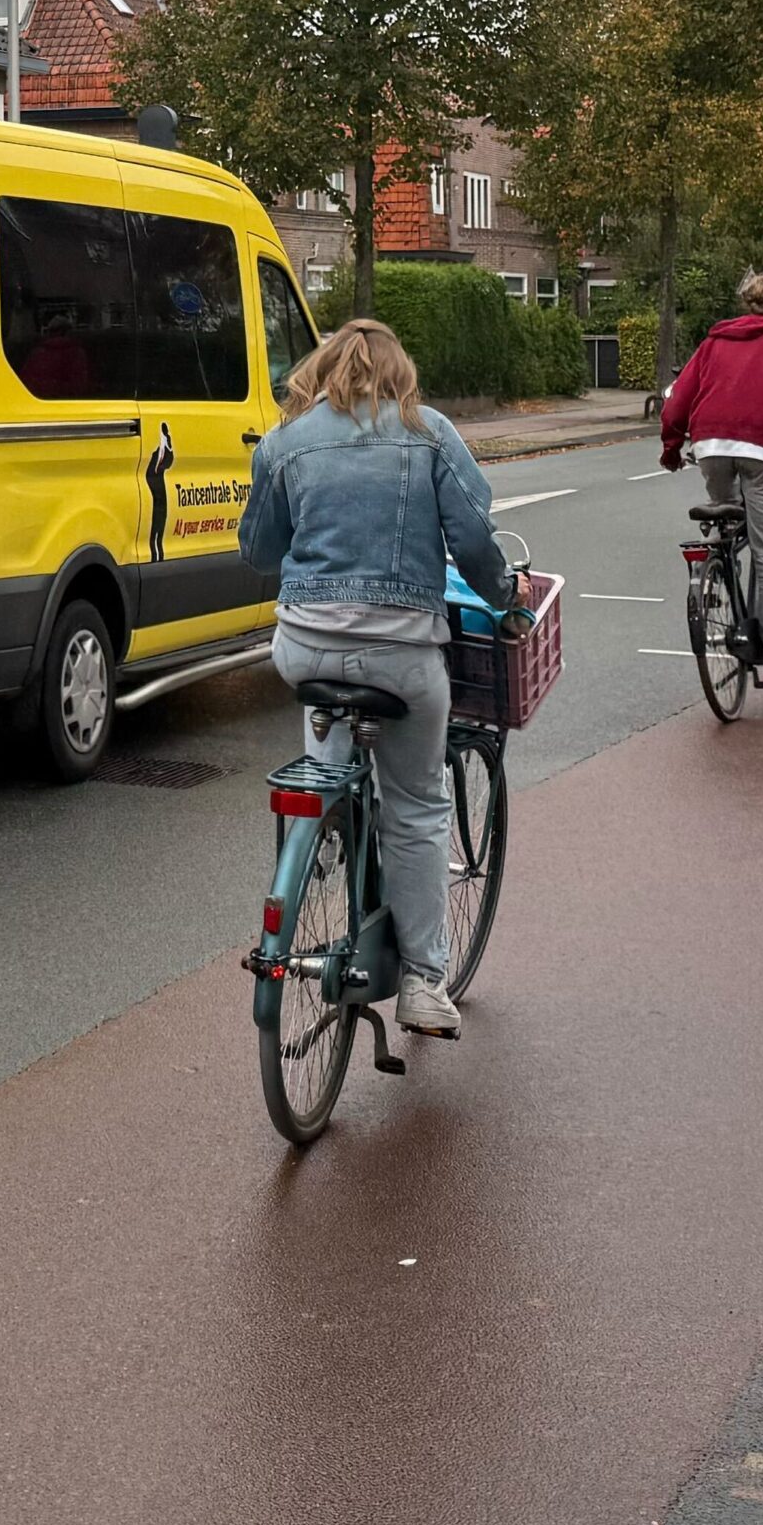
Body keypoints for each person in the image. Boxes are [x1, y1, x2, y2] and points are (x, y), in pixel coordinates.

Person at [238, 317, 520, 1043]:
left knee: (325, 712)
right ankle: (425, 980)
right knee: (418, 805)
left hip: (305, 649)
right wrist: (505, 601)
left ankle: (324, 822)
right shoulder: (428, 433)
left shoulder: (285, 442)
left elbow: (259, 552)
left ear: (320, 369)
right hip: (401, 657)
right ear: (400, 372)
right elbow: (475, 540)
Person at [656, 268, 763, 691]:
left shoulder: (714, 342)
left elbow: (678, 401)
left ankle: (715, 566)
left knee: (727, 516)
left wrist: (672, 448)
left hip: (710, 445)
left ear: (747, 302)